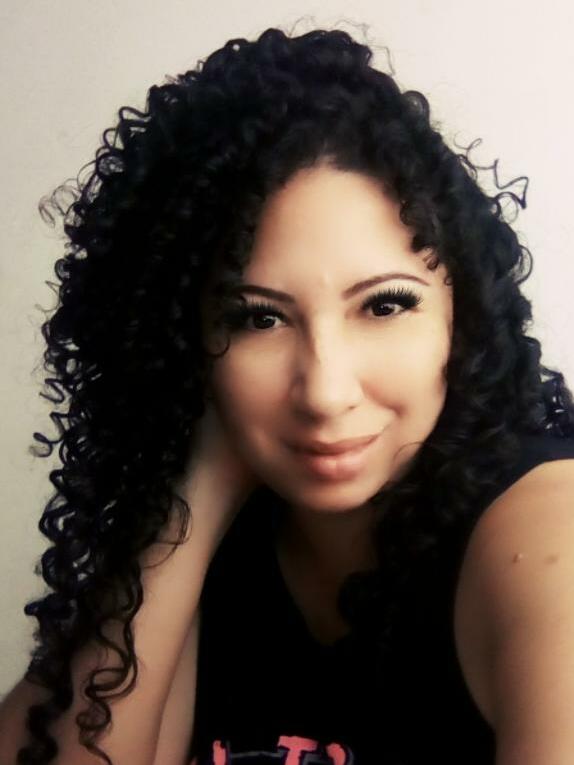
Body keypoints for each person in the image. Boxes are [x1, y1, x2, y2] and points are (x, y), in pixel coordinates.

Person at [1, 23, 574, 765]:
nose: (326, 392)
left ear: (459, 315)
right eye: (257, 318)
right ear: (181, 335)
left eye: (385, 305)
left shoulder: (548, 542)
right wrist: (198, 485)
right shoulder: (211, 542)